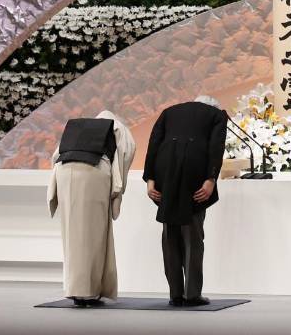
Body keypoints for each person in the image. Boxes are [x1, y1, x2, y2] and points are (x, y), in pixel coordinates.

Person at [142, 95, 227, 307]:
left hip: (165, 170)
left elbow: (153, 143)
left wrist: (150, 179)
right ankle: (192, 295)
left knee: (170, 233)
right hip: (194, 170)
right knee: (193, 234)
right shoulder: (217, 115)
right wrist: (211, 179)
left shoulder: (169, 111)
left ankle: (175, 294)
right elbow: (216, 147)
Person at [47, 110, 136, 306]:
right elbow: (126, 152)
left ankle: (76, 289)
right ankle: (88, 291)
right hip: (93, 172)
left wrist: (53, 190)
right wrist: (117, 192)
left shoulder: (79, 129)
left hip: (64, 172)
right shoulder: (117, 127)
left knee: (72, 235)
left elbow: (56, 156)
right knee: (94, 234)